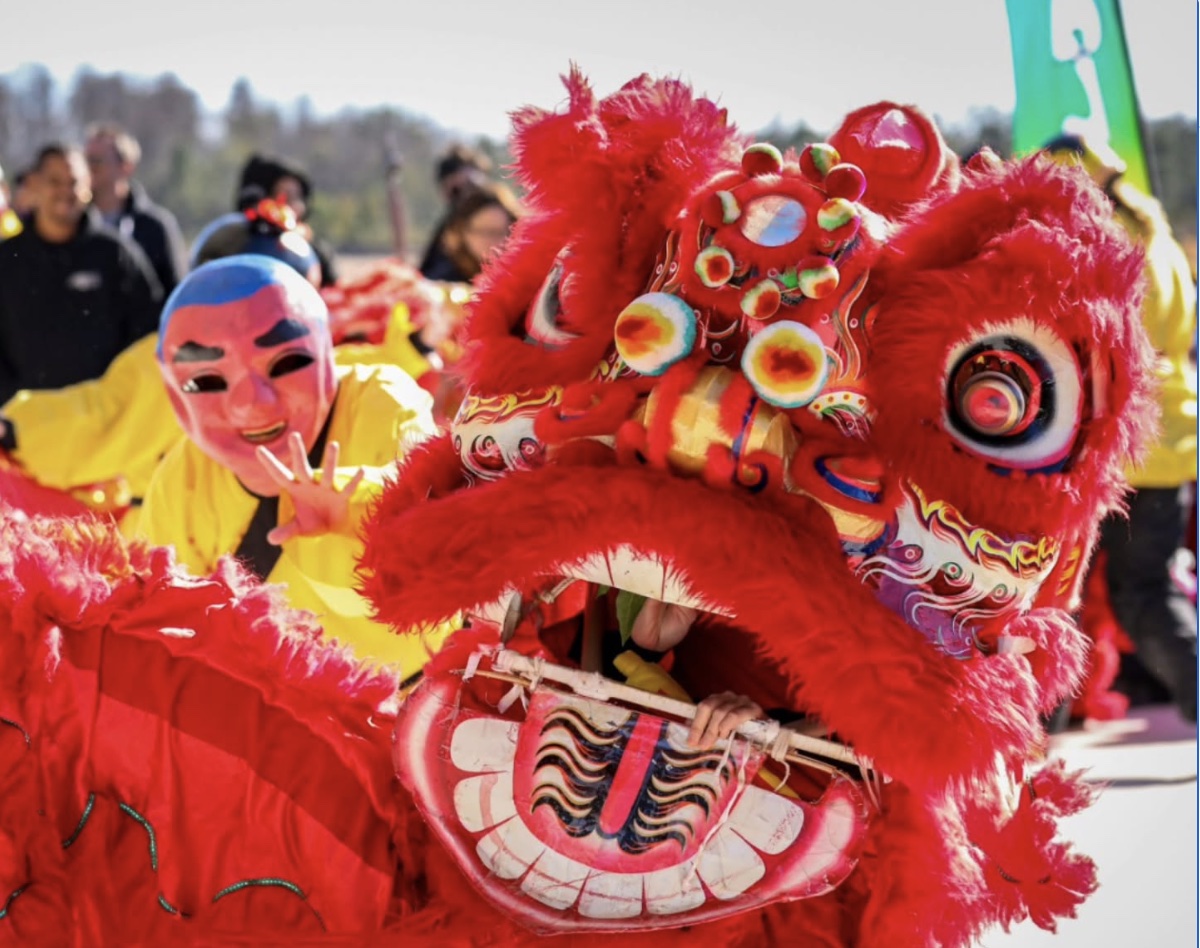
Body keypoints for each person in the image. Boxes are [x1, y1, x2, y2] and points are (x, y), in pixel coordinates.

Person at [135, 255, 450, 675]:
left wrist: (353, 522)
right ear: (175, 395)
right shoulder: (182, 481)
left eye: (284, 364)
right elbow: (165, 640)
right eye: (208, 381)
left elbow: (433, 542)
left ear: (324, 350)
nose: (252, 403)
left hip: (413, 708)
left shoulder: (382, 404)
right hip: (275, 724)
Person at [1048, 134, 1198, 723]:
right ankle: (1048, 727)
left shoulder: (1101, 239)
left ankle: (1042, 732)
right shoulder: (1154, 232)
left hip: (1118, 441)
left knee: (1072, 592)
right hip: (1169, 433)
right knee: (1108, 591)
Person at [0, 142, 163, 406]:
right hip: (24, 426)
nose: (66, 191)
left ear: (88, 186)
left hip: (106, 424)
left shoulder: (116, 254)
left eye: (74, 182)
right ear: (35, 185)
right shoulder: (7, 259)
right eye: (55, 181)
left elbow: (148, 335)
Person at [85, 122, 189, 296]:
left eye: (96, 162)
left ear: (126, 167)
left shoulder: (156, 226)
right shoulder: (70, 223)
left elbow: (177, 294)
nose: (87, 169)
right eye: (84, 160)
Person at [235, 152, 339, 286]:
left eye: (296, 197)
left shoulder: (315, 250)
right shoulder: (238, 237)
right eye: (284, 196)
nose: (291, 204)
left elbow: (333, 284)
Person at [420, 181, 522, 284]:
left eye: (500, 232)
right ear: (463, 232)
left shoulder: (521, 278)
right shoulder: (441, 282)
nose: (492, 241)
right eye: (484, 231)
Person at [417, 143, 493, 278]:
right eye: (458, 191)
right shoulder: (447, 231)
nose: (467, 198)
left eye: (472, 187)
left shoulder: (501, 219)